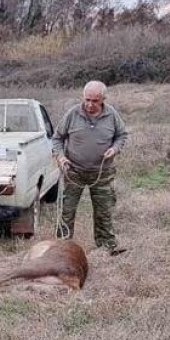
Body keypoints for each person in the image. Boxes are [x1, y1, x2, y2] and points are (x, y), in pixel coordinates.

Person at [52, 80, 129, 255]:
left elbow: (121, 135)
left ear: (103, 99)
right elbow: (57, 138)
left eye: (95, 101)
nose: (90, 104)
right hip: (74, 172)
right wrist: (61, 157)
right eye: (87, 99)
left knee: (104, 210)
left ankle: (107, 246)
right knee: (67, 211)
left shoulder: (112, 115)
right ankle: (62, 249)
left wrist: (114, 149)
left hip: (102, 172)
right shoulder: (72, 114)